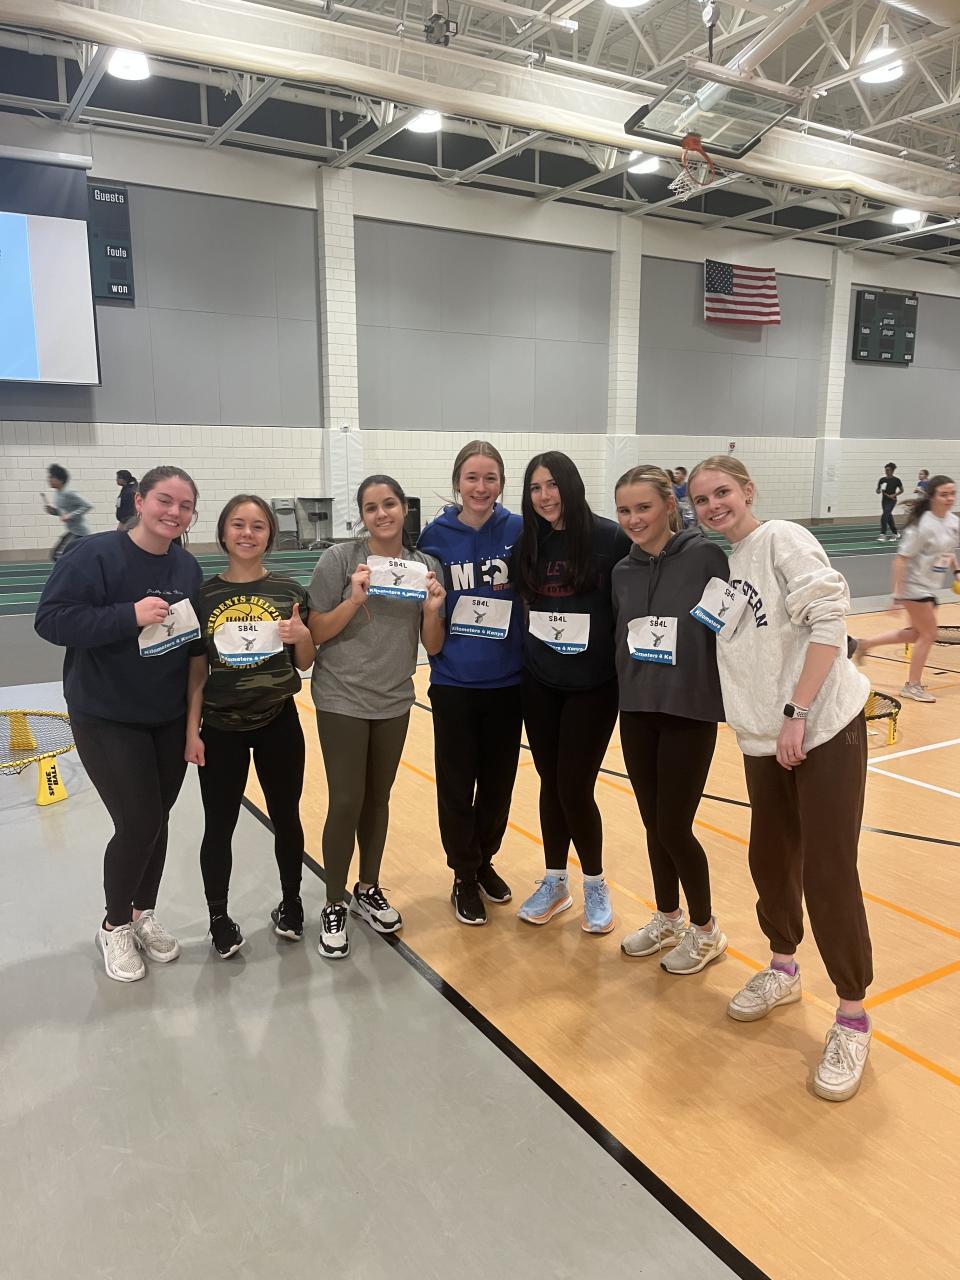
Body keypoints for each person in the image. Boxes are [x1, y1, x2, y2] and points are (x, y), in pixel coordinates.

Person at [688, 456, 873, 1101]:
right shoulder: (730, 564)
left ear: (747, 490)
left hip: (821, 729)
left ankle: (852, 1015)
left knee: (827, 869)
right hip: (764, 740)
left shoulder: (781, 539)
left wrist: (797, 710)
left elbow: (830, 622)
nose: (713, 506)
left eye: (723, 492)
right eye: (701, 499)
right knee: (770, 859)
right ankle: (783, 967)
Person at [35, 466, 203, 983]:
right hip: (106, 714)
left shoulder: (187, 567)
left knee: (158, 820)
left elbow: (191, 644)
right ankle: (114, 926)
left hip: (166, 715)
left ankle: (141, 912)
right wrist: (127, 615)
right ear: (139, 500)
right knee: (138, 822)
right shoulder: (94, 555)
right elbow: (51, 620)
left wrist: (193, 721)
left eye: (185, 505)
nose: (174, 512)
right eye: (164, 500)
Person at [306, 475, 446, 959]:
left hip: (394, 699)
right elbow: (316, 631)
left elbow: (433, 646)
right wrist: (354, 599)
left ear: (404, 508)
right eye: (371, 507)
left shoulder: (426, 566)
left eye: (389, 504)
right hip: (341, 696)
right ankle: (333, 902)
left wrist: (433, 609)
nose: (381, 513)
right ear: (362, 516)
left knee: (378, 799)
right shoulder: (339, 560)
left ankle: (367, 888)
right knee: (347, 799)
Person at [185, 495, 316, 958]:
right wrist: (192, 730)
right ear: (223, 533)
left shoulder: (289, 591)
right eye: (238, 524)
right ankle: (218, 920)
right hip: (221, 728)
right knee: (219, 825)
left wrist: (303, 637)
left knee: (287, 817)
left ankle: (292, 905)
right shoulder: (203, 598)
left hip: (279, 721)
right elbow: (196, 671)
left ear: (269, 535)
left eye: (258, 526)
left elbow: (304, 662)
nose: (247, 533)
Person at [612, 466, 729, 974]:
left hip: (689, 709)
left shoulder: (705, 557)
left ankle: (706, 930)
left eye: (643, 507)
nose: (634, 519)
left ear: (668, 505)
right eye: (624, 510)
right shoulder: (622, 570)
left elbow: (730, 629)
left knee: (675, 826)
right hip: (638, 709)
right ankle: (668, 917)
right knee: (652, 823)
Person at [513, 451, 631, 934]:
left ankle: (595, 883)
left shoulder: (609, 538)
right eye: (535, 488)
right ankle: (555, 881)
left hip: (593, 686)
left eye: (552, 485)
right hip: (540, 682)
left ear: (571, 485)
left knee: (575, 787)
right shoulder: (528, 541)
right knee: (550, 782)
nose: (544, 496)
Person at [417, 441, 523, 927]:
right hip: (455, 681)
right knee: (457, 786)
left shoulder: (519, 531)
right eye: (472, 478)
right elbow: (426, 609)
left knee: (499, 785)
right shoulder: (434, 537)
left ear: (501, 483)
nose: (481, 487)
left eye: (490, 478)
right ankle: (463, 873)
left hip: (509, 681)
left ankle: (484, 861)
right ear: (458, 482)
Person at [853, 474, 959, 703]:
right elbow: (900, 561)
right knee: (929, 634)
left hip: (930, 585)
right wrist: (897, 595)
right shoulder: (921, 526)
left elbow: (948, 551)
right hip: (914, 585)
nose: (950, 498)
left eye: (953, 493)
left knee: (917, 634)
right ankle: (912, 686)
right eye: (944, 494)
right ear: (932, 497)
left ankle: (865, 643)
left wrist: (957, 571)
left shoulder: (953, 522)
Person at [42, 463, 92, 560]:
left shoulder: (69, 493)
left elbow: (88, 505)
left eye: (51, 477)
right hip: (71, 531)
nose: (49, 479)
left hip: (80, 532)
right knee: (58, 556)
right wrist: (53, 511)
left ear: (60, 480)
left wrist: (70, 516)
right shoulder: (57, 494)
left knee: (59, 556)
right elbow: (63, 512)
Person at [875, 463, 903, 542]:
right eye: (886, 470)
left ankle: (882, 534)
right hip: (884, 500)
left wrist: (894, 495)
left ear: (893, 471)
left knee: (885, 515)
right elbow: (878, 491)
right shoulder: (882, 480)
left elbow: (901, 490)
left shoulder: (896, 480)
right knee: (888, 516)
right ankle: (896, 533)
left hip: (892, 500)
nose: (886, 472)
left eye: (888, 470)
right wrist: (878, 490)